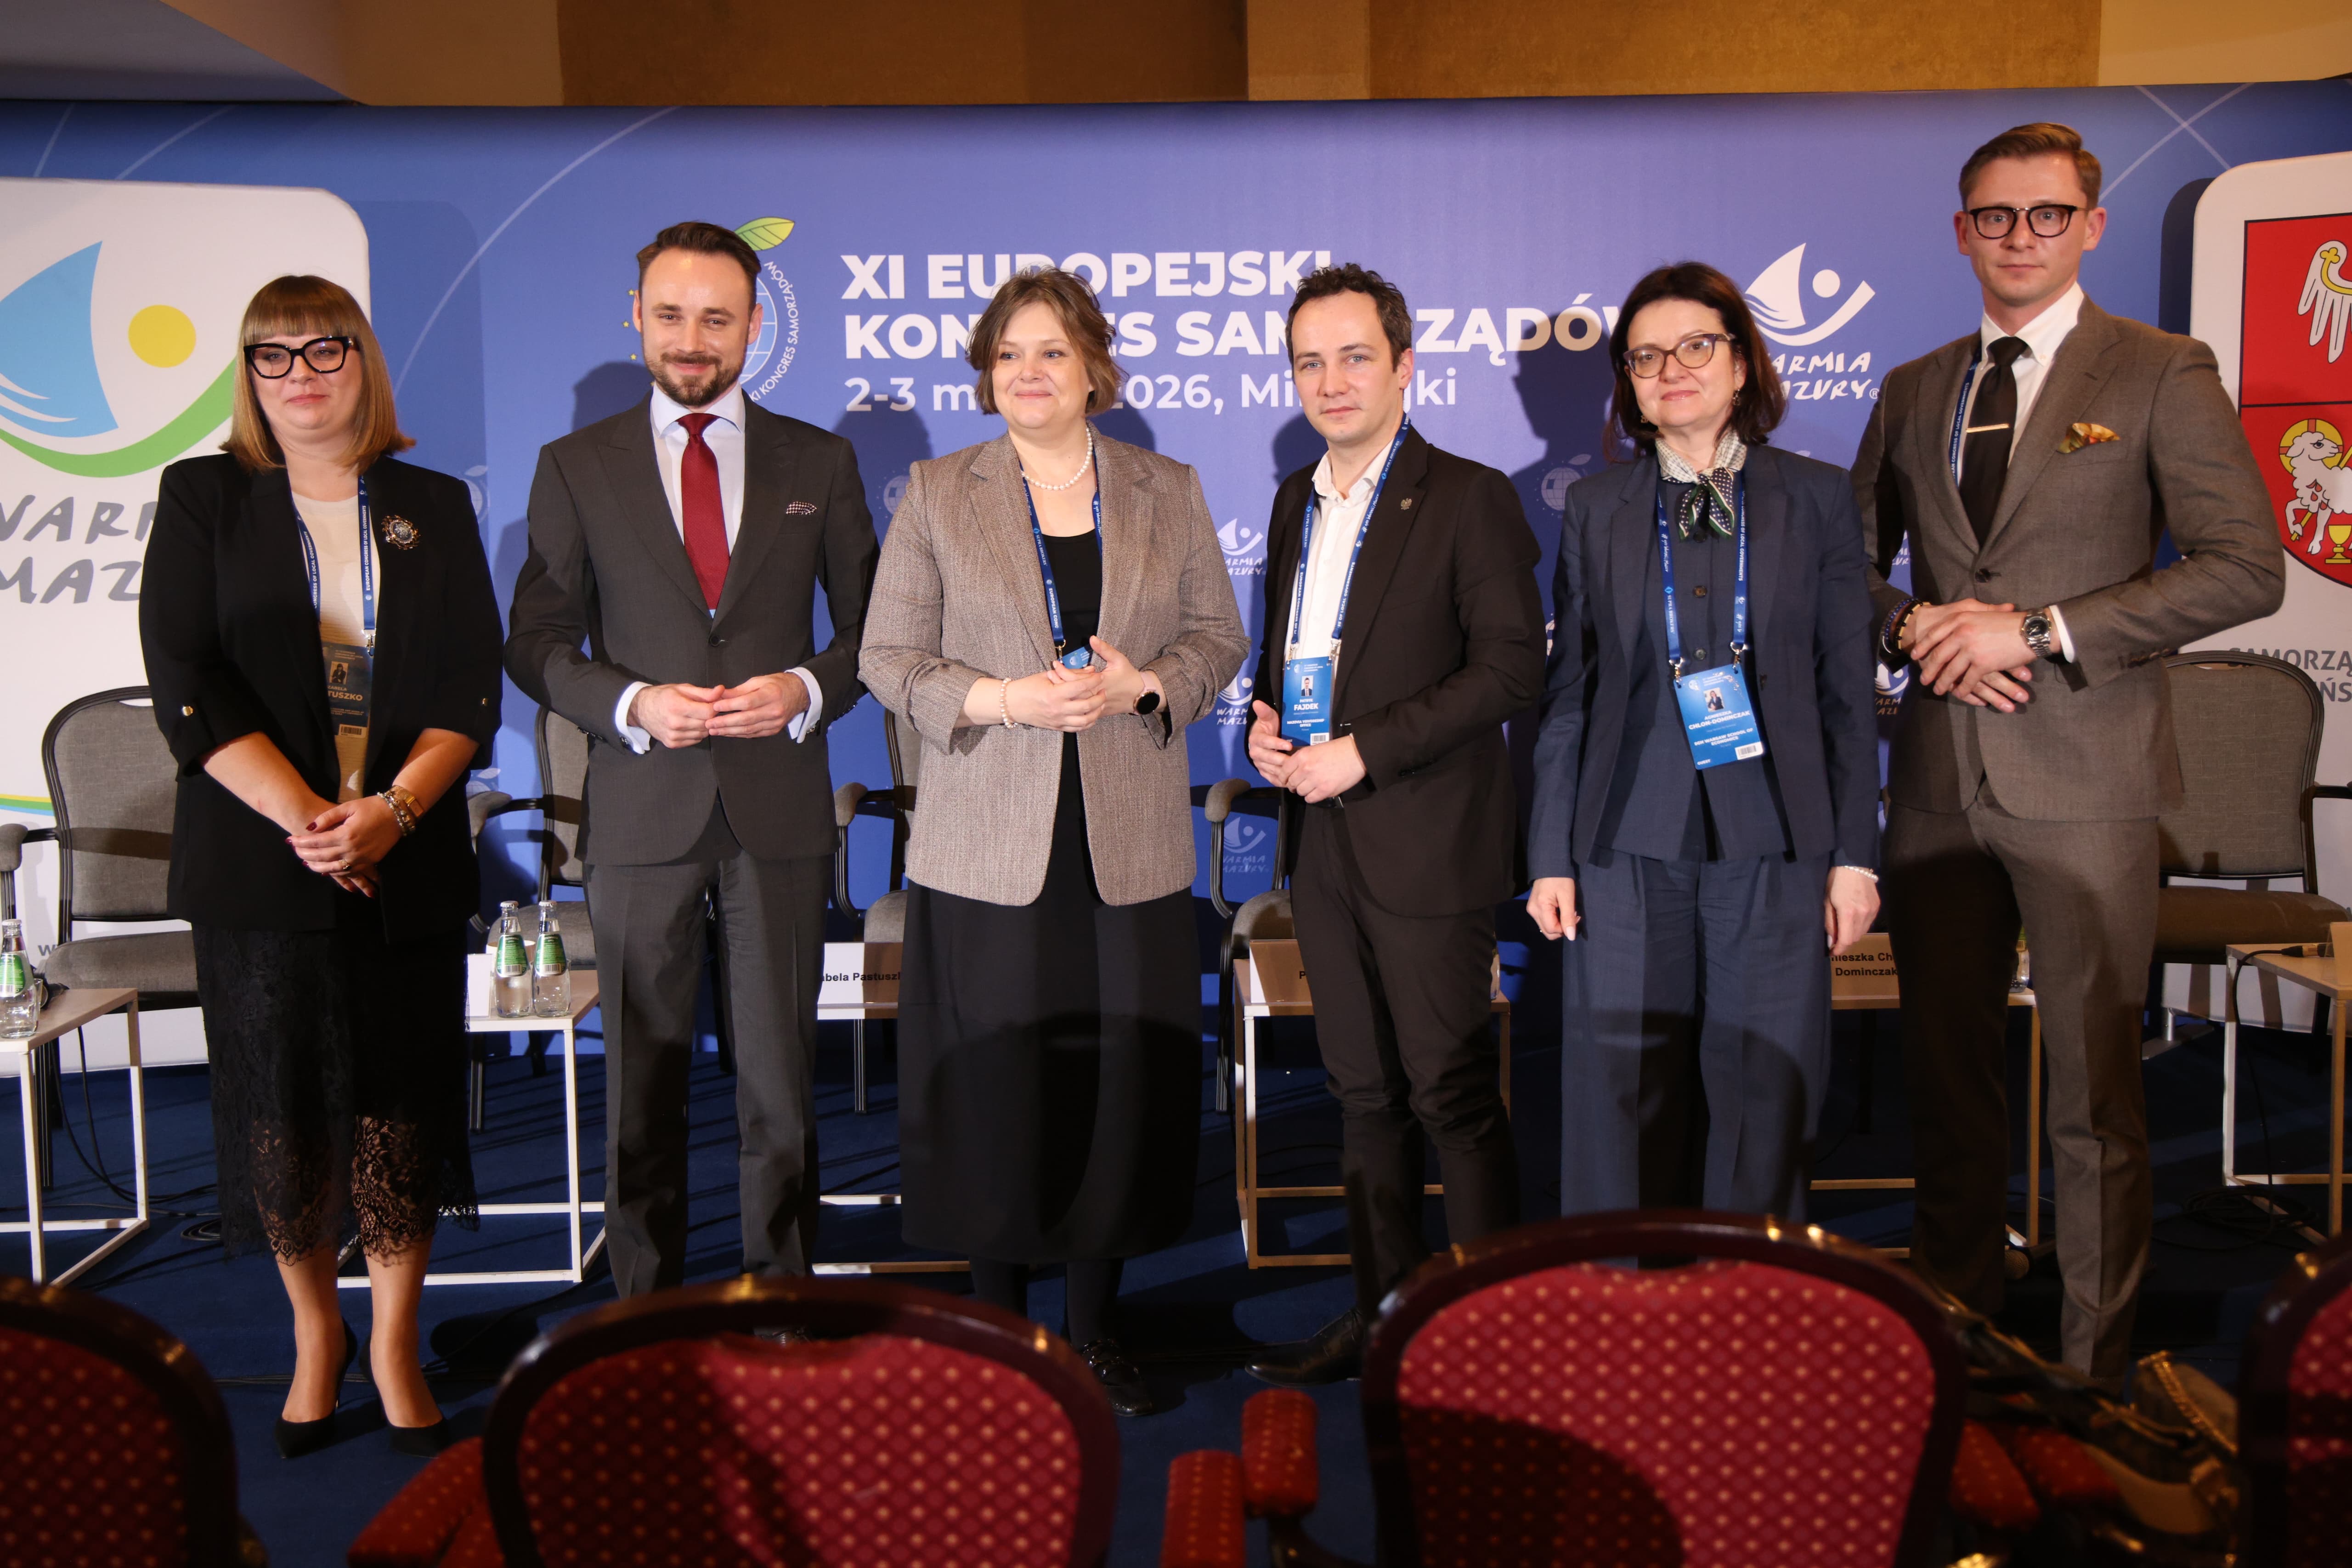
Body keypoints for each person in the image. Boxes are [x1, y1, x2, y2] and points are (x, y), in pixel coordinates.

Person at [1853, 123, 2283, 1381]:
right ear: (1961, 232)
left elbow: (2243, 566)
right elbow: (1844, 567)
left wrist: (2037, 629)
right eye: (1995, 215)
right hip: (1938, 782)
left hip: (2088, 780)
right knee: (1946, 1086)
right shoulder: (1915, 385)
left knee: (2095, 1097)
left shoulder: (2159, 368)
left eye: (2047, 214)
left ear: (2091, 226)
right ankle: (1958, 1347)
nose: (2020, 236)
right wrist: (1916, 628)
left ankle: (2094, 1375)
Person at [859, 268, 1246, 1416]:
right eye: (1008, 354)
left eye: (1052, 352)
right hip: (986, 842)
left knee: (1112, 1090)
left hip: (1126, 842)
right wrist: (1001, 700)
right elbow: (888, 657)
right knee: (996, 1090)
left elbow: (1217, 639)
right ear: (988, 375)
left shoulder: (1167, 487)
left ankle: (1092, 1326)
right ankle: (997, 1331)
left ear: (1092, 370)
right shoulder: (939, 492)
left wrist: (1144, 686)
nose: (1028, 372)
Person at [140, 275, 501, 1457]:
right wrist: (310, 821)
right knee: (281, 1111)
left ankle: (392, 1339)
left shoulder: (432, 503)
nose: (300, 374)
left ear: (364, 362)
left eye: (324, 349)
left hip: (403, 853)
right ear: (249, 375)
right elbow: (186, 677)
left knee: (400, 1105)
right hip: (262, 857)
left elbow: (470, 686)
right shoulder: (204, 497)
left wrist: (391, 812)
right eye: (273, 355)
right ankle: (315, 1333)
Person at [506, 222, 879, 1298]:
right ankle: (645, 1307)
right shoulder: (576, 466)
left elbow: (874, 633)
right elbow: (536, 642)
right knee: (642, 1083)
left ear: (755, 326)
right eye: (670, 314)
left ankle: (782, 1295)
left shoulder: (820, 461)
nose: (691, 338)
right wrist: (630, 702)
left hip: (778, 807)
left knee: (781, 1084)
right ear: (636, 317)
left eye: (717, 317)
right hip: (639, 808)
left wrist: (804, 688)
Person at [1526, 263, 1881, 1224]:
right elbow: (1570, 696)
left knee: (1764, 1095)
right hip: (1624, 842)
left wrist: (1855, 856)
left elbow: (1847, 693)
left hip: (1777, 839)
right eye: (1645, 357)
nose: (1670, 370)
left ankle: (1747, 1298)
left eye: (1694, 347)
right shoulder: (1595, 508)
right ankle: (1621, 1299)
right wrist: (1550, 856)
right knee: (1619, 1095)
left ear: (1741, 362)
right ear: (1629, 384)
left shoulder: (1817, 497)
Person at [1244, 264, 1545, 1387]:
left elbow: (1510, 668)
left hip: (1428, 838)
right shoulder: (1293, 498)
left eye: (1354, 357)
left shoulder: (1468, 496)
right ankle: (1380, 1316)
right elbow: (1292, 655)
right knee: (1361, 1094)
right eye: (1309, 362)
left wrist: (1364, 749)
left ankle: (1487, 1342)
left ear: (1405, 366)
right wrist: (1267, 727)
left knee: (1451, 1095)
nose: (1331, 381)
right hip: (1321, 842)